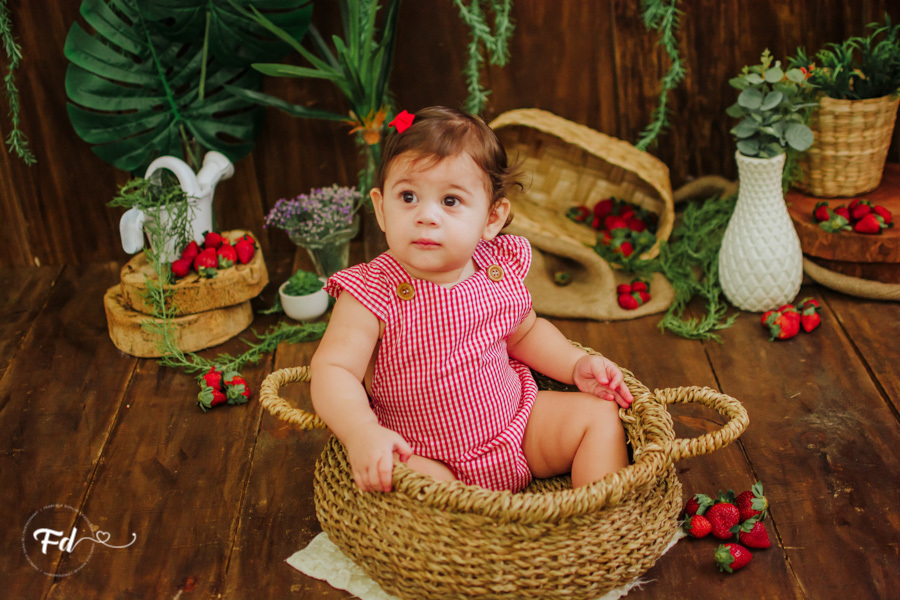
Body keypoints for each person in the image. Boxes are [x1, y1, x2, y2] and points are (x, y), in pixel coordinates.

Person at [310, 106, 632, 494]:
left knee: (599, 415)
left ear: (491, 218)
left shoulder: (496, 269)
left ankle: (602, 520)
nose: (426, 215)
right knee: (397, 478)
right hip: (425, 456)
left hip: (518, 429)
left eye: (450, 201)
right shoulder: (370, 292)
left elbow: (525, 334)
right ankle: (477, 540)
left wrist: (575, 364)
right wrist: (362, 431)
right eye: (408, 196)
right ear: (381, 208)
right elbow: (334, 370)